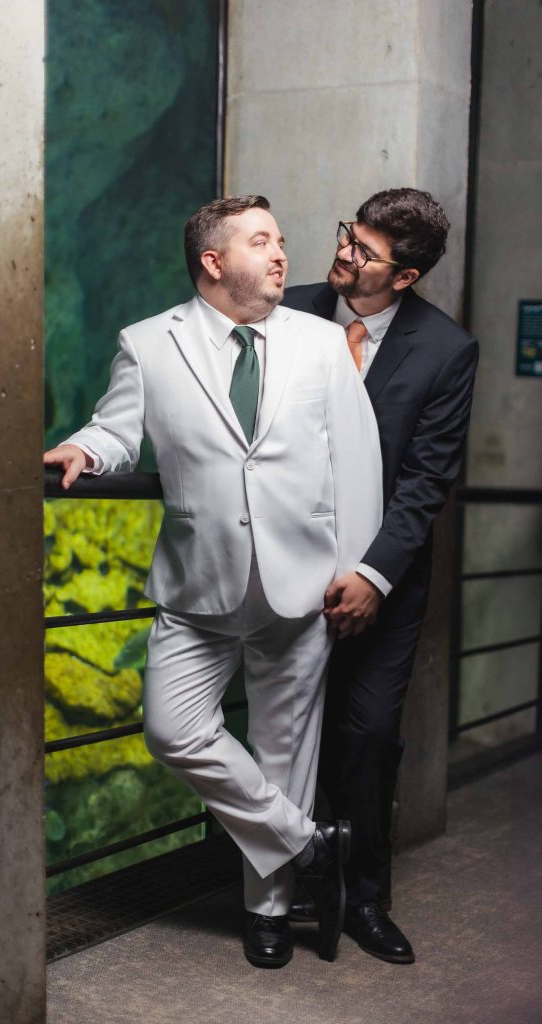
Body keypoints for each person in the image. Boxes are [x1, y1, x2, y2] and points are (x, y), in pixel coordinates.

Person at [44, 195, 383, 968]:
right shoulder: (147, 343)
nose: (279, 254)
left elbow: (356, 463)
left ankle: (265, 915)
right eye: (259, 241)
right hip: (197, 588)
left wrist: (357, 571)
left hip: (301, 587)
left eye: (279, 240)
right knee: (171, 729)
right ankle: (306, 844)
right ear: (212, 260)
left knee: (283, 751)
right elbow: (116, 426)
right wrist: (84, 452)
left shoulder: (322, 343)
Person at [282, 188, 479, 965]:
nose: (343, 253)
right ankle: (282, 885)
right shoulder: (286, 311)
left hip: (383, 586)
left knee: (364, 735)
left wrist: (371, 574)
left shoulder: (444, 350)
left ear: (405, 277)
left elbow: (426, 482)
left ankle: (364, 898)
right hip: (278, 569)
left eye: (364, 251)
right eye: (346, 235)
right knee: (280, 733)